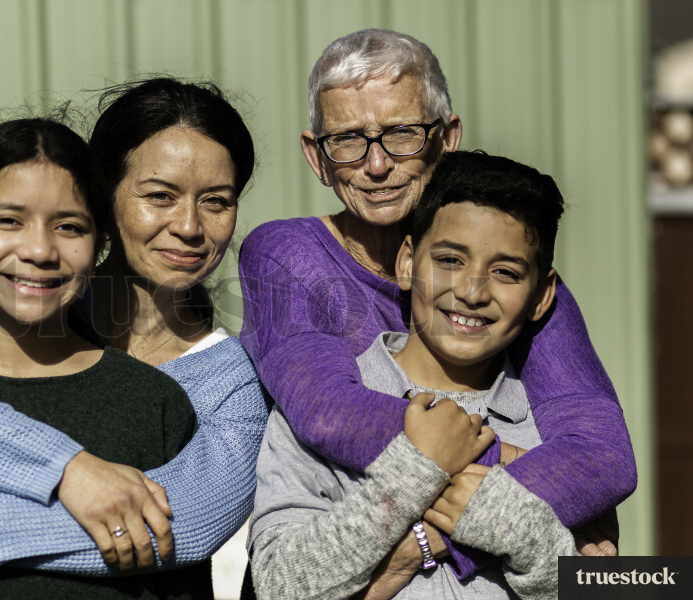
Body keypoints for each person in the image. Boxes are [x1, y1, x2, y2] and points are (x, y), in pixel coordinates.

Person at [238, 27, 634, 581]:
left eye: (401, 134)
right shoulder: (288, 254)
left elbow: (603, 461)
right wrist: (508, 476)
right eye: (348, 139)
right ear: (317, 157)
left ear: (447, 138)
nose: (376, 165)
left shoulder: (519, 283)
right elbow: (328, 414)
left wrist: (466, 526)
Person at [0, 78, 266, 591]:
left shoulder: (234, 383)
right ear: (104, 197)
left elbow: (187, 521)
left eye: (217, 202)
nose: (189, 226)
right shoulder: (15, 292)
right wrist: (71, 472)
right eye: (159, 195)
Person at [248, 151, 581, 600]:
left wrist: (523, 530)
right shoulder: (317, 413)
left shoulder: (555, 434)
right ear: (406, 263)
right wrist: (413, 473)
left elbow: (626, 581)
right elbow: (277, 585)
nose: (471, 291)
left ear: (542, 296)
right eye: (449, 260)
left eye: (505, 272)